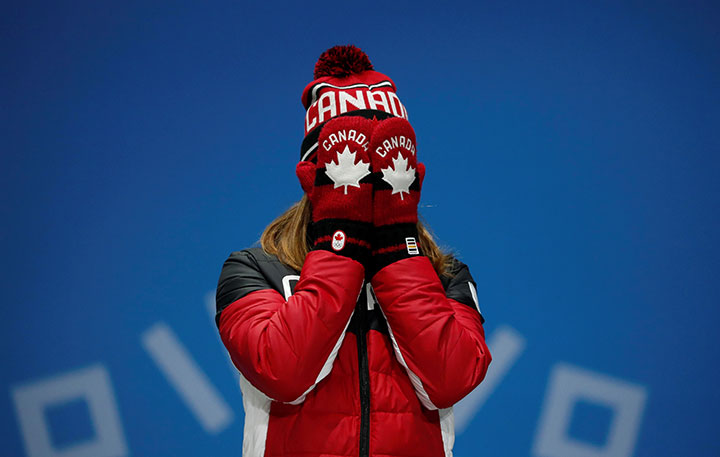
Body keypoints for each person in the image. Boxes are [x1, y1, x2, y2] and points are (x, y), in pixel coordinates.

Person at [215, 45, 491, 457]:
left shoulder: (445, 274)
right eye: (355, 167)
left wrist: (398, 247)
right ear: (314, 177)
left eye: (383, 169)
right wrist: (340, 238)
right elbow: (283, 374)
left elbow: (451, 380)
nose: (370, 182)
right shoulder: (253, 269)